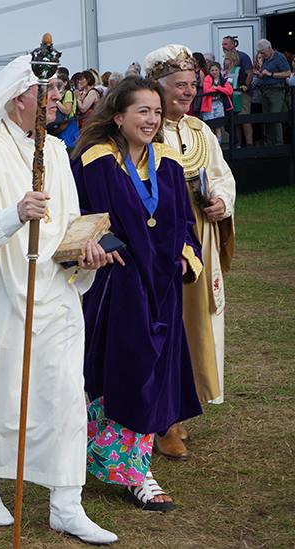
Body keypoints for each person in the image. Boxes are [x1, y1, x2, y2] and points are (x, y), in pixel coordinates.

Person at [0, 55, 116, 545]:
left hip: (55, 292)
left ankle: (66, 503)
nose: (58, 98)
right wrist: (15, 214)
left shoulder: (57, 151)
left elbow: (69, 222)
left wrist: (86, 252)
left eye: (59, 90)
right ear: (19, 97)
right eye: (50, 91)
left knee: (62, 393)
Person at [71, 74, 204, 512]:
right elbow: (78, 215)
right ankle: (127, 469)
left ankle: (134, 465)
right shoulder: (96, 159)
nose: (151, 120)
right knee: (123, 372)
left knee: (154, 371)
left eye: (155, 111)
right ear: (118, 114)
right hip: (118, 284)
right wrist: (103, 247)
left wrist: (186, 252)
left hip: (161, 285)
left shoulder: (166, 160)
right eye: (142, 111)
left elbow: (184, 219)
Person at [151, 44, 237, 458]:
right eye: (178, 86)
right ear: (157, 87)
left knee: (196, 324)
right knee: (164, 325)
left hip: (199, 238)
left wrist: (221, 201)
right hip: (160, 241)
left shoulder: (200, 131)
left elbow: (221, 175)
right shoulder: (144, 129)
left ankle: (181, 409)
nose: (186, 93)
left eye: (191, 85)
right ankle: (163, 417)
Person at [253, 39, 291, 145]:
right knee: (266, 117)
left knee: (275, 117)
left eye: (263, 52)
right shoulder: (265, 59)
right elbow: (265, 73)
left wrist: (271, 74)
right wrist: (260, 74)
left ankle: (279, 143)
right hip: (265, 90)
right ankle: (269, 143)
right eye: (260, 52)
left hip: (277, 90)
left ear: (269, 48)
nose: (261, 54)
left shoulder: (280, 57)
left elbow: (287, 73)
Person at [222, 35, 255, 145]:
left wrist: (245, 86)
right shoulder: (226, 60)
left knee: (244, 119)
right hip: (232, 96)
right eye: (222, 44)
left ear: (233, 44)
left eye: (225, 44)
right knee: (235, 121)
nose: (223, 46)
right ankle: (238, 145)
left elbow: (250, 73)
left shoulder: (243, 56)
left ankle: (249, 146)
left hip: (243, 94)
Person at [199, 62, 234, 139]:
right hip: (209, 105)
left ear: (219, 70)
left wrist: (217, 88)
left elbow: (229, 91)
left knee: (218, 127)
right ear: (209, 71)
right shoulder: (208, 78)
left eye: (216, 70)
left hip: (219, 104)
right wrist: (221, 89)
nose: (214, 72)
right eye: (212, 70)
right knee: (210, 127)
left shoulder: (222, 80)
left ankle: (219, 145)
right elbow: (207, 90)